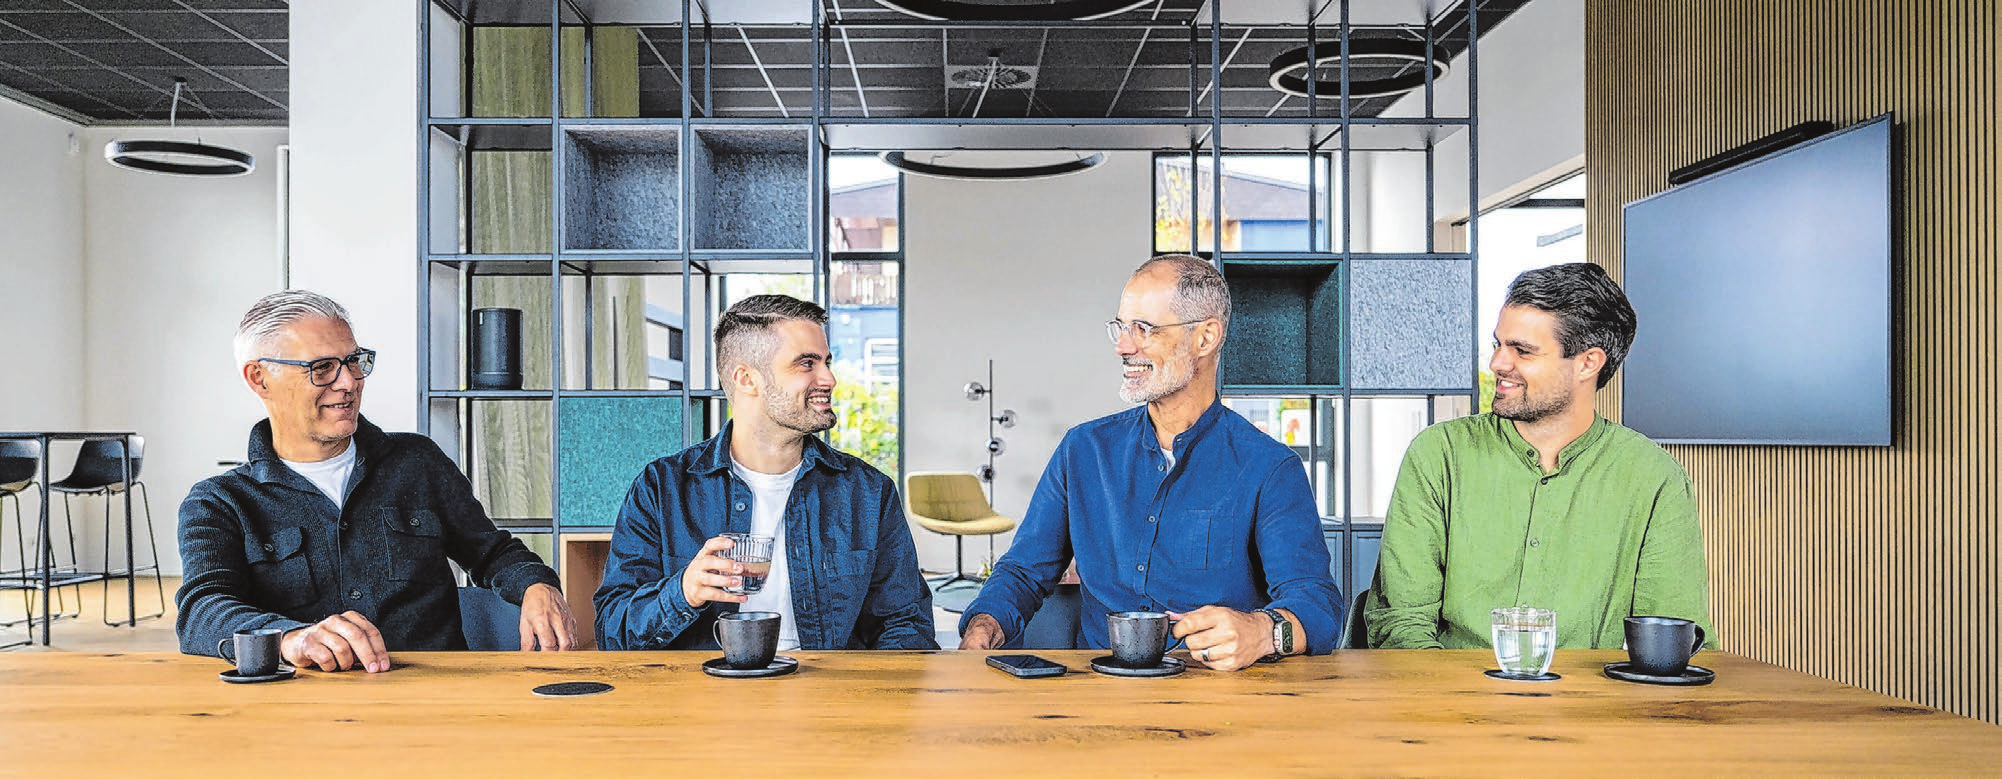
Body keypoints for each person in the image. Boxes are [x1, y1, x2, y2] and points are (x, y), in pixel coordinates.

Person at [960, 255, 1343, 670]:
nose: (1123, 346)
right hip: (1095, 694)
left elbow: (1317, 605)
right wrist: (984, 625)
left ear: (1206, 337)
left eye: (1143, 329)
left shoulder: (1269, 467)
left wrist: (1263, 631)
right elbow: (1022, 572)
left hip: (1221, 703)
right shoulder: (1082, 450)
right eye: (1121, 328)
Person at [177, 290, 576, 673]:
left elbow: (492, 553)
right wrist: (291, 639)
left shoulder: (418, 463)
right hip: (300, 714)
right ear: (259, 378)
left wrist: (536, 586)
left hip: (439, 703)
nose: (349, 382)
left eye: (353, 361)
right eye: (322, 368)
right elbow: (201, 609)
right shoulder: (220, 503)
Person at [1365, 262, 1711, 649]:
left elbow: (1670, 639)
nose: (1497, 363)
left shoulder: (1653, 478)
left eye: (1522, 351)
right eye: (1498, 344)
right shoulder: (1439, 455)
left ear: (1587, 363)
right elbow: (1400, 624)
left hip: (1591, 708)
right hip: (1449, 702)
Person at [594, 294, 936, 651]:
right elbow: (612, 631)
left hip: (830, 697)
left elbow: (906, 623)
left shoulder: (867, 492)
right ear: (746, 379)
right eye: (807, 363)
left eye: (827, 362)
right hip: (701, 699)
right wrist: (682, 592)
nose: (829, 378)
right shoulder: (661, 489)